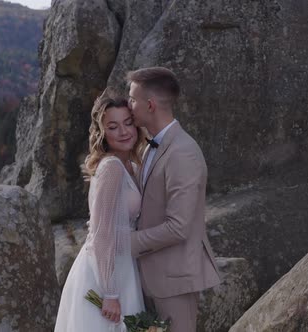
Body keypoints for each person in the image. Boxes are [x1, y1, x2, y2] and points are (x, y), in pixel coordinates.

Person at [127, 67, 221, 331]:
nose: (128, 105)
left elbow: (178, 227)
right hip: (149, 275)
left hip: (174, 281)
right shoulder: (150, 146)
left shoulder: (183, 152)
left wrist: (125, 243)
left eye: (132, 99)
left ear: (151, 104)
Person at [54, 95, 146, 331]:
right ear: (102, 132)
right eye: (113, 127)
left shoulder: (130, 165)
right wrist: (110, 292)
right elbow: (102, 232)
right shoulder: (111, 168)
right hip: (106, 272)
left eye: (128, 123)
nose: (124, 131)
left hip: (124, 264)